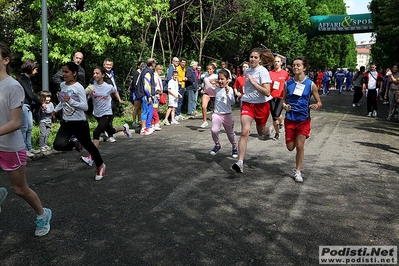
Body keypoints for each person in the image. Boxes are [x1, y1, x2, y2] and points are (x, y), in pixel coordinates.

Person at [0, 42, 52, 236]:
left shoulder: (13, 86)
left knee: (20, 189)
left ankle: (42, 214)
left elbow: (15, 122)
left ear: (6, 60)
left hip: (10, 147)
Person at [53, 62, 106, 181]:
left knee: (89, 146)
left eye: (66, 72)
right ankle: (75, 143)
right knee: (58, 145)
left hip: (79, 123)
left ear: (74, 73)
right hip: (66, 122)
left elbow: (85, 106)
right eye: (63, 71)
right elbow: (63, 101)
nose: (64, 74)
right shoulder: (62, 85)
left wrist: (70, 101)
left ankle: (100, 165)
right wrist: (55, 110)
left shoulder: (78, 87)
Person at [232, 47, 274, 173]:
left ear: (260, 59)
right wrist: (242, 95)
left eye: (256, 57)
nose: (253, 59)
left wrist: (254, 82)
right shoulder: (247, 71)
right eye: (251, 57)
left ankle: (269, 130)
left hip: (261, 105)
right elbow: (247, 89)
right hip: (247, 104)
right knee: (245, 132)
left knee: (261, 132)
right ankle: (240, 162)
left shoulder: (263, 72)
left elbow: (267, 92)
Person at [80, 66, 132, 167]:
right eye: (94, 73)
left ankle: (91, 157)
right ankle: (124, 128)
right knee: (110, 131)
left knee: (96, 132)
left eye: (97, 73)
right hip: (97, 114)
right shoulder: (91, 87)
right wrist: (86, 95)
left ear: (103, 75)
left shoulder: (108, 87)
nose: (95, 75)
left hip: (107, 113)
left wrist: (120, 100)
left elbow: (115, 91)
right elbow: (85, 102)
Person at [282, 56, 322, 183]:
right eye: (294, 65)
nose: (295, 67)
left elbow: (319, 102)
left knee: (300, 146)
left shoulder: (311, 84)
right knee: (290, 147)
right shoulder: (287, 83)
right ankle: (296, 136)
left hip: (303, 119)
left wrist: (316, 105)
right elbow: (283, 100)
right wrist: (285, 106)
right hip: (290, 118)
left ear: (304, 67)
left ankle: (298, 171)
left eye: (298, 65)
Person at [209, 69, 238, 158]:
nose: (221, 81)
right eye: (219, 79)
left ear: (227, 79)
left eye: (223, 79)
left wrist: (228, 92)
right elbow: (210, 81)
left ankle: (234, 146)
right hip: (217, 114)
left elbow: (232, 102)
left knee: (230, 134)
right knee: (214, 130)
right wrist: (218, 82)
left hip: (227, 114)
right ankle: (217, 144)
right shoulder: (217, 88)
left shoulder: (230, 89)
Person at [18, 59, 43, 157]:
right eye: (35, 69)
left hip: (28, 105)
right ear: (31, 68)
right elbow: (30, 94)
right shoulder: (23, 78)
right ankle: (23, 149)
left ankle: (29, 147)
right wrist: (41, 103)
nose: (36, 71)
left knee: (29, 127)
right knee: (24, 128)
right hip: (23, 105)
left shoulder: (27, 79)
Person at [269, 55, 290, 140]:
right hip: (271, 96)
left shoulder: (285, 74)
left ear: (281, 63)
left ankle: (281, 123)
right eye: (275, 61)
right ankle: (277, 133)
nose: (276, 63)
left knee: (277, 114)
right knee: (274, 117)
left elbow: (289, 84)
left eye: (278, 61)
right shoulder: (269, 73)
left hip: (281, 96)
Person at [136, 58, 156, 135]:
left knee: (148, 111)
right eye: (155, 63)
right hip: (145, 95)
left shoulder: (146, 71)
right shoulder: (147, 72)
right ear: (152, 64)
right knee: (145, 111)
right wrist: (149, 96)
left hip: (145, 95)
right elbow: (146, 85)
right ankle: (143, 128)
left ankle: (147, 127)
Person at [200, 64, 218, 128]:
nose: (208, 70)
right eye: (208, 69)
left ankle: (216, 121)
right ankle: (205, 121)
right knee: (203, 106)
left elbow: (221, 83)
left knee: (215, 109)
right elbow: (205, 84)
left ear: (213, 69)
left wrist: (215, 82)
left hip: (215, 94)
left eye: (210, 69)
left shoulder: (216, 76)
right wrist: (203, 89)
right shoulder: (206, 76)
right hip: (206, 93)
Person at [129, 61, 145, 128]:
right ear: (138, 66)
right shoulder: (136, 73)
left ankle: (139, 120)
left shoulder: (142, 73)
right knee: (136, 107)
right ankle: (134, 121)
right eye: (141, 65)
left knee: (140, 107)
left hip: (141, 92)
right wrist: (137, 92)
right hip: (136, 92)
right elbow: (135, 84)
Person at [152, 65, 164, 131]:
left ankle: (154, 123)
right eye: (160, 69)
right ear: (157, 69)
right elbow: (154, 85)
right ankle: (156, 122)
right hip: (155, 95)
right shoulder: (154, 76)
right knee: (154, 109)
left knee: (156, 109)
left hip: (158, 95)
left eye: (161, 70)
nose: (161, 71)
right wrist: (157, 91)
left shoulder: (158, 77)